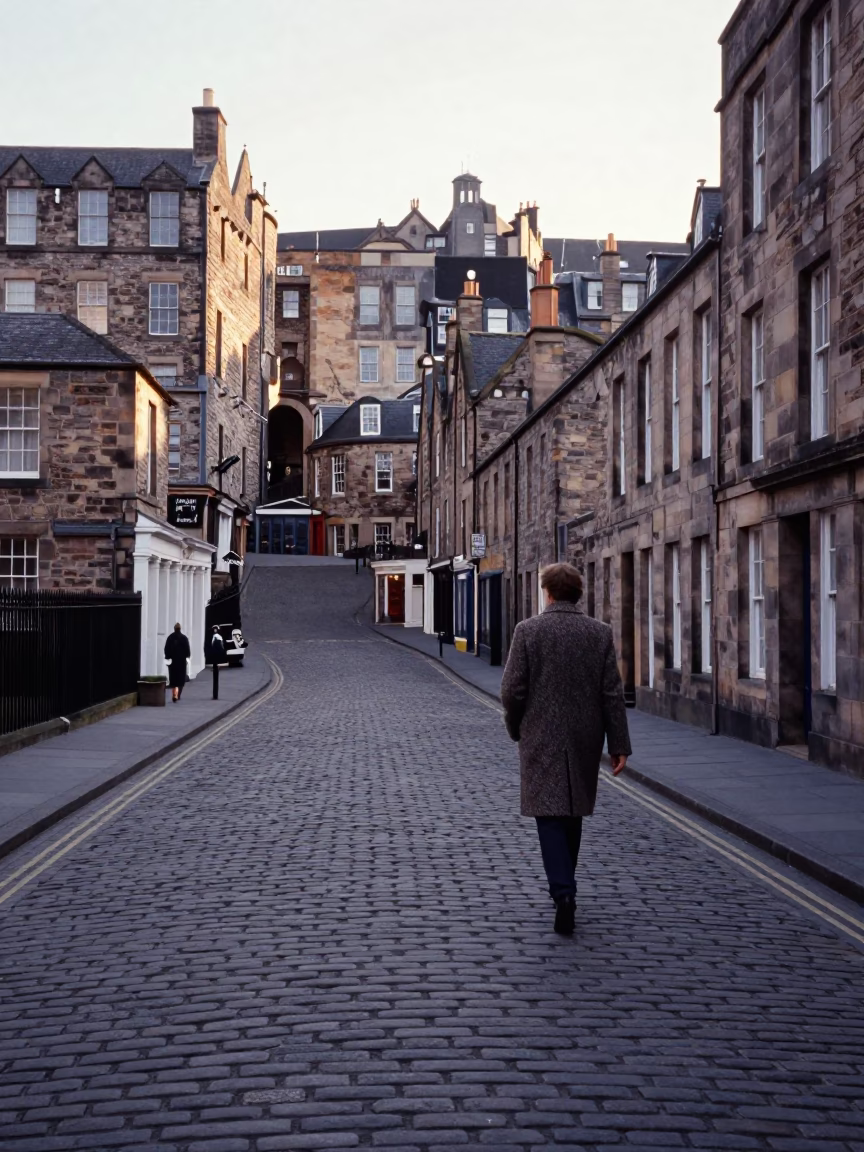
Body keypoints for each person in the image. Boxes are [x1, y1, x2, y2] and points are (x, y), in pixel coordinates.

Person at [501, 562, 632, 936]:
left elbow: (512, 690)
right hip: (584, 738)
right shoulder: (599, 633)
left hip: (540, 735)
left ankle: (563, 892)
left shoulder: (528, 631)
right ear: (578, 594)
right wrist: (619, 744)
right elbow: (612, 694)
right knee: (571, 811)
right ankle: (565, 887)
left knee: (549, 814)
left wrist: (516, 726)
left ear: (548, 593)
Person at [164, 622, 191, 702]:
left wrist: (168, 657)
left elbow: (166, 649)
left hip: (173, 661)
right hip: (182, 661)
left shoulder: (170, 637)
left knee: (174, 680)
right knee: (181, 680)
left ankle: (175, 694)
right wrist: (187, 656)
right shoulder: (184, 638)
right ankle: (178, 695)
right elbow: (187, 650)